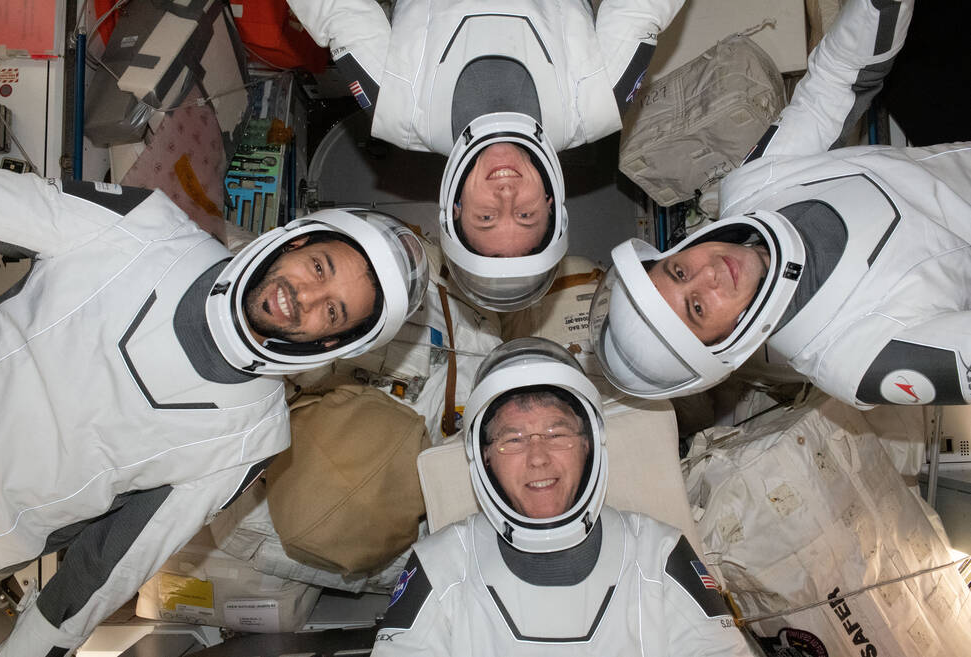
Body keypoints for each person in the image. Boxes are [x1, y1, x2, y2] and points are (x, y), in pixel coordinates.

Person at [0, 169, 427, 656]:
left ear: (332, 341)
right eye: (319, 268)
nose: (305, 297)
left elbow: (114, 563)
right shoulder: (146, 225)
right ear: (293, 244)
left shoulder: (253, 434)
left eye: (333, 311)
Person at [589, 0, 971, 409]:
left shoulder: (753, 187)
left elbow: (837, 81)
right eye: (697, 307)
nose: (709, 273)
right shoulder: (853, 359)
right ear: (724, 344)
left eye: (679, 270)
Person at [288, 0, 684, 310]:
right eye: (525, 215)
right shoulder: (599, 105)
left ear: (456, 207)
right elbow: (642, 8)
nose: (506, 196)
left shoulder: (396, 110)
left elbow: (337, 10)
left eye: (487, 216)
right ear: (552, 205)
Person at [372, 338, 751, 655]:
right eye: (513, 439)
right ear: (482, 456)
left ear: (589, 445)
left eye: (557, 433)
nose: (538, 457)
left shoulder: (659, 553)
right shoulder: (441, 564)